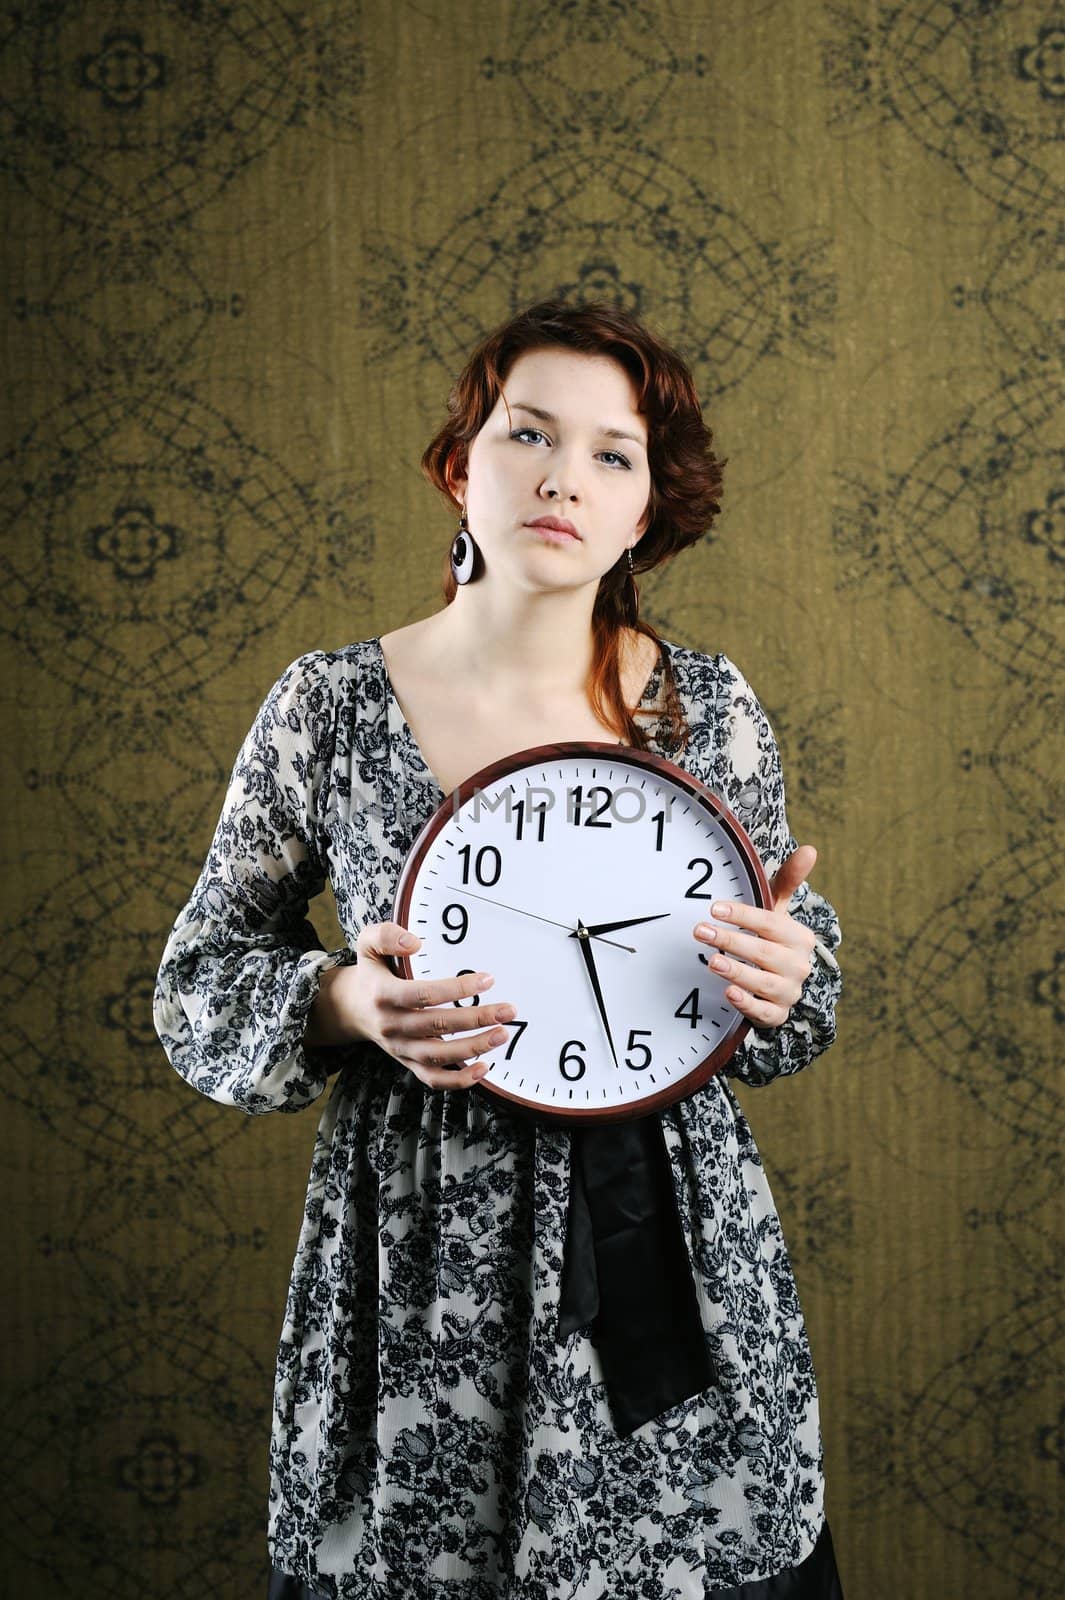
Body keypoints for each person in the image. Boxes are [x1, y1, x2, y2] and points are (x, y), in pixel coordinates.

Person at [153, 299, 845, 1600]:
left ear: (643, 510)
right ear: (459, 462)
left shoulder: (711, 712)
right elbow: (195, 987)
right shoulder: (329, 707)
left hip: (673, 1252)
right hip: (422, 1265)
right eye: (526, 433)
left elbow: (785, 981)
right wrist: (345, 999)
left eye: (609, 453)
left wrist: (791, 973)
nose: (560, 477)